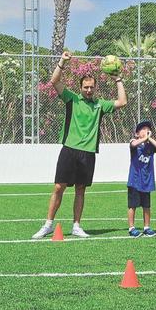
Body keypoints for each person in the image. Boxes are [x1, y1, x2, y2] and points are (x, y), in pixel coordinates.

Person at [32, 51, 127, 239]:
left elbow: (122, 101)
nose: (89, 90)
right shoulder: (72, 99)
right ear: (80, 87)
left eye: (91, 87)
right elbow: (54, 81)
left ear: (95, 88)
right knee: (59, 187)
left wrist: (118, 79)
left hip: (88, 152)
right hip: (69, 149)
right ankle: (48, 224)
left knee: (80, 189)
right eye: (85, 87)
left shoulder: (100, 105)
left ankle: (76, 225)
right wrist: (62, 61)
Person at [127, 120, 156, 237]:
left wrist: (150, 139)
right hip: (135, 180)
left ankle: (147, 227)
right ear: (137, 133)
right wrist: (144, 139)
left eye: (148, 129)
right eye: (143, 129)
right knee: (132, 205)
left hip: (147, 182)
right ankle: (131, 228)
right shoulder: (134, 142)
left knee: (146, 206)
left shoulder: (150, 146)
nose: (146, 131)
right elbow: (133, 144)